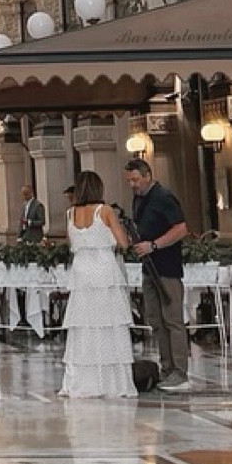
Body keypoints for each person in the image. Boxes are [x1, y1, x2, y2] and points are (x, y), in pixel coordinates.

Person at [60, 170, 134, 398]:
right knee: (108, 323)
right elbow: (123, 243)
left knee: (84, 326)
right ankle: (110, 382)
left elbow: (71, 241)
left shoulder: (71, 213)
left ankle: (82, 381)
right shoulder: (105, 211)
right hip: (103, 269)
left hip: (82, 271)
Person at [123, 158, 192, 390]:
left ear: (147, 175)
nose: (132, 184)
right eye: (129, 181)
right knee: (156, 319)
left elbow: (181, 228)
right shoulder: (139, 199)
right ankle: (166, 368)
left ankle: (180, 372)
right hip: (149, 268)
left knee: (172, 320)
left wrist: (154, 245)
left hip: (167, 267)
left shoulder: (163, 197)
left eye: (135, 179)